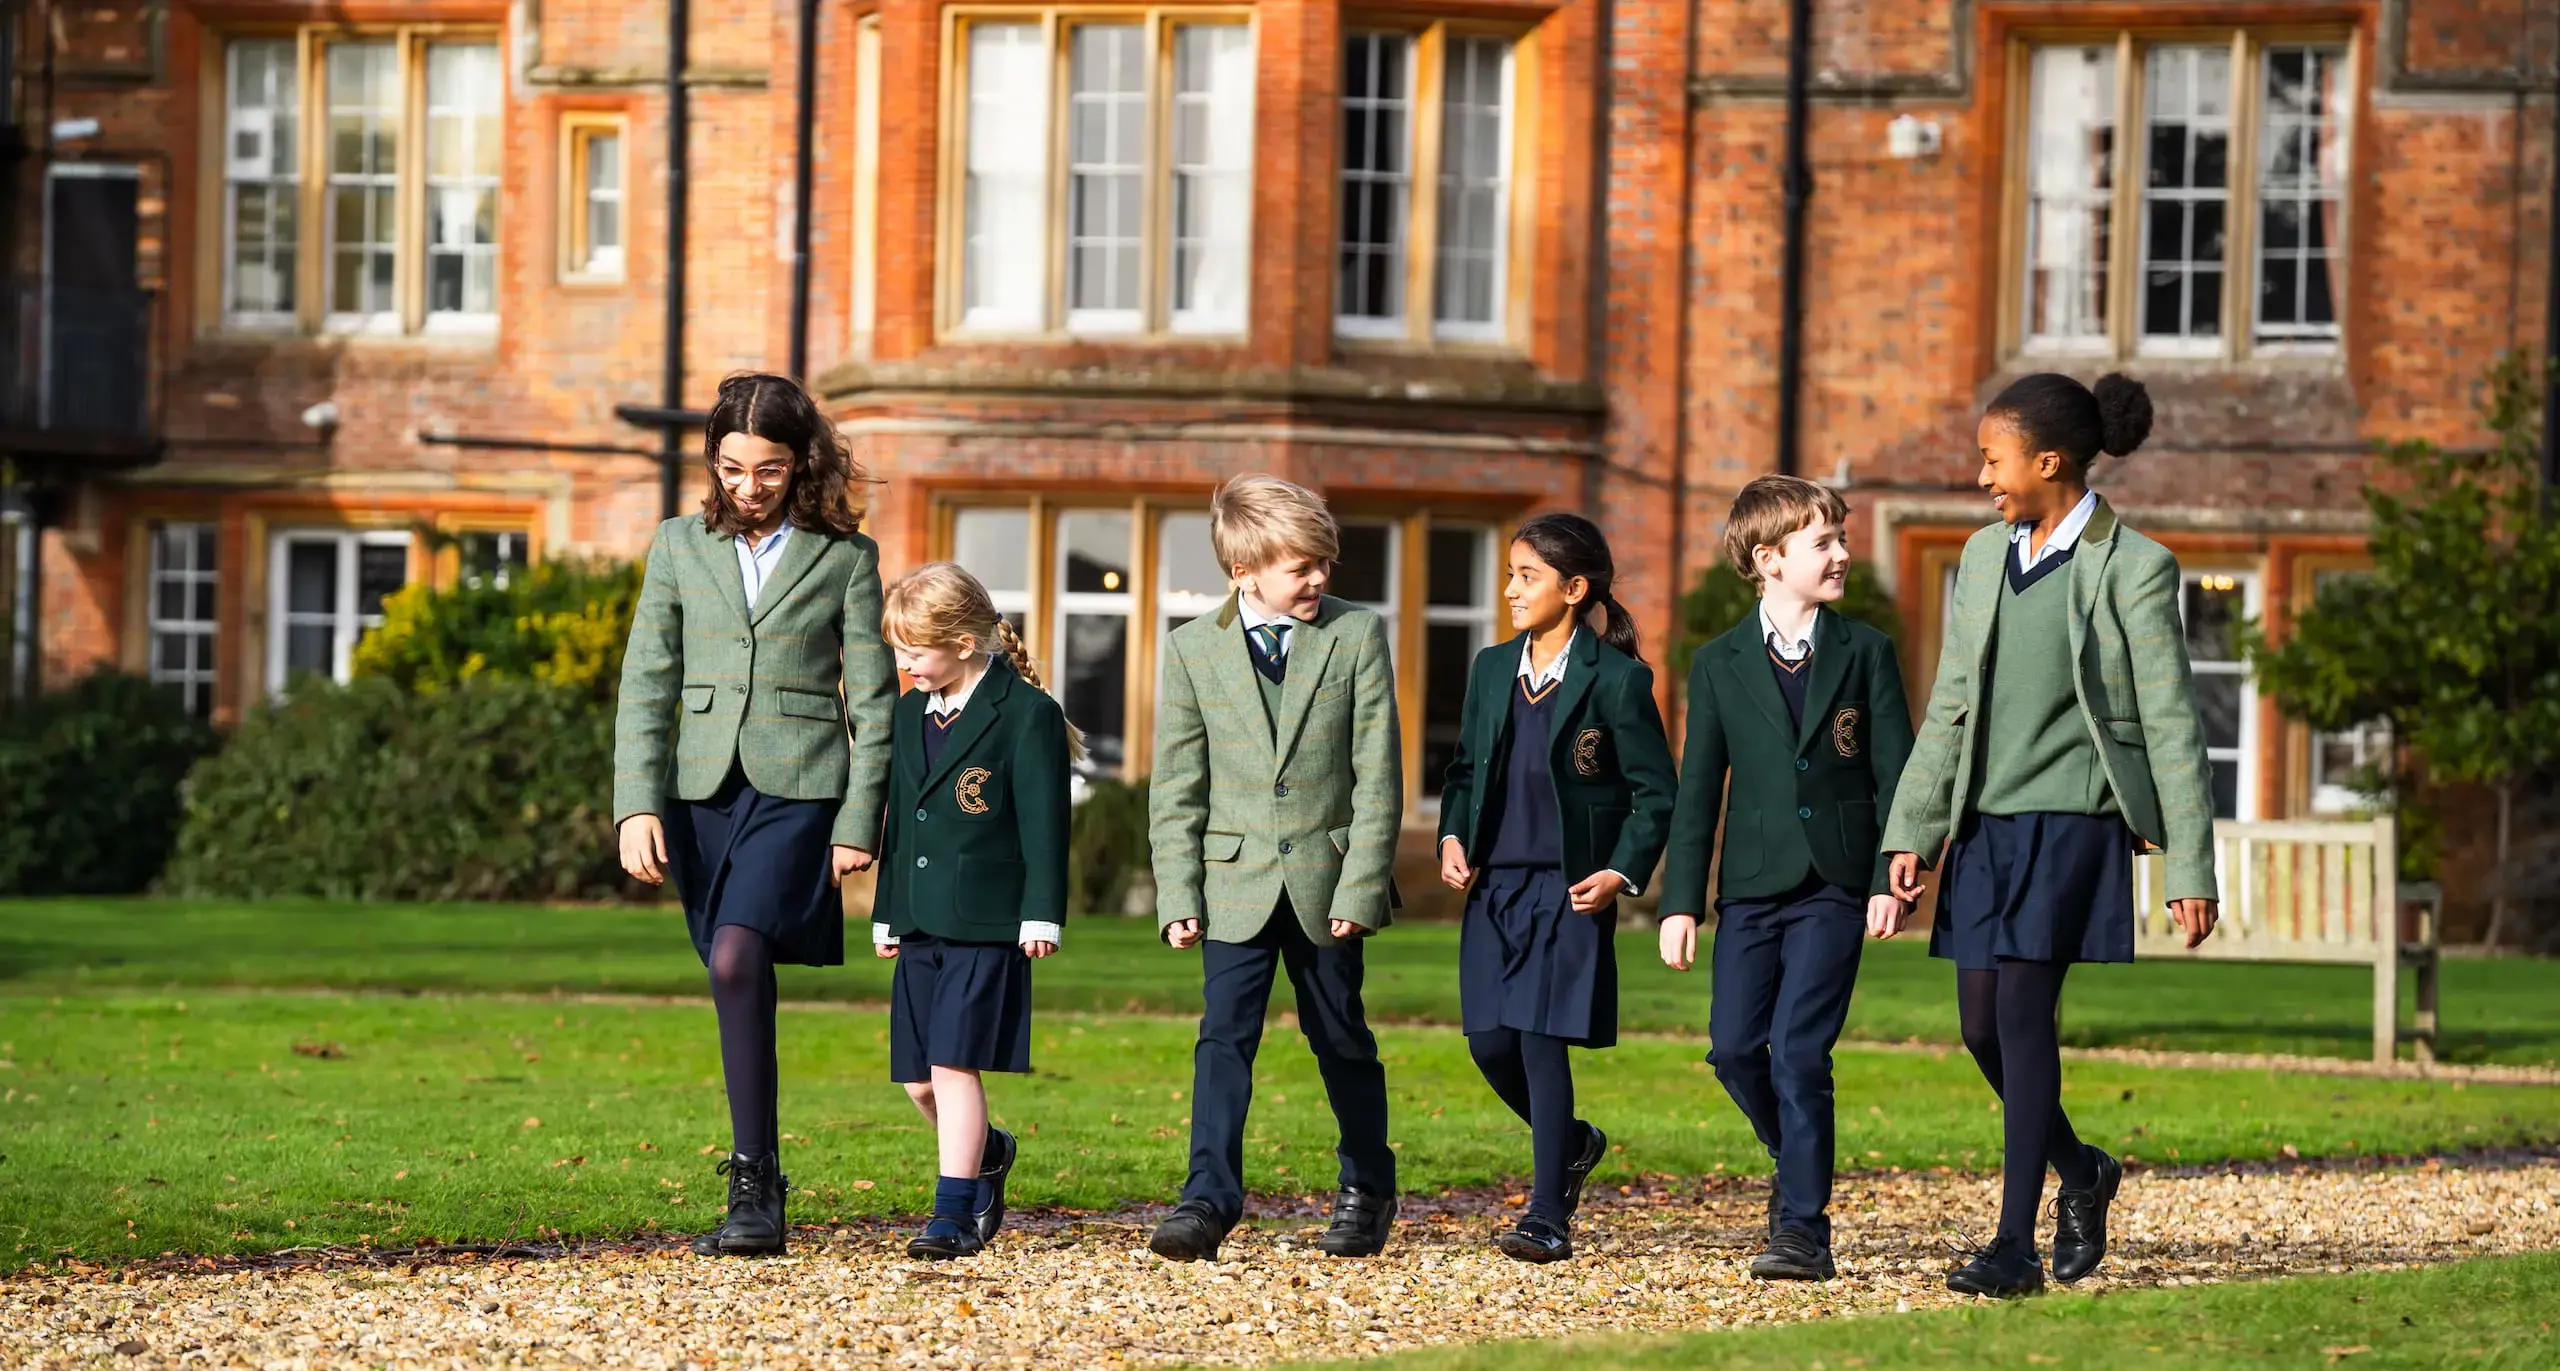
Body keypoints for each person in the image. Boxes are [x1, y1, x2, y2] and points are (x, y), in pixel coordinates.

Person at [1882, 372, 2221, 1298]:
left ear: (2049, 460)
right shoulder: (1985, 556)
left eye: (1993, 458)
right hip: (1985, 829)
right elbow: (1950, 704)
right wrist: (1910, 829)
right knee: (1980, 1027)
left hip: (2074, 824)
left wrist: (2190, 864)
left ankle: (2013, 1248)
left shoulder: (2134, 565)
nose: (1982, 474)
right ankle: (2084, 1169)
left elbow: (2171, 723)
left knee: (2025, 1019)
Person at [612, 371, 898, 1257]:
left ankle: (753, 1181)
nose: (747, 486)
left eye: (767, 470)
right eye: (732, 467)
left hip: (800, 788)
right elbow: (646, 683)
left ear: (800, 462)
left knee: (738, 954)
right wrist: (635, 804)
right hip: (700, 794)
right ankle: (759, 1175)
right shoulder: (675, 546)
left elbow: (877, 701)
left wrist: (860, 818)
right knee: (726, 966)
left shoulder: (846, 559)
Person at [1656, 475, 1915, 1282]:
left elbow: (1895, 775)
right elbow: (1699, 787)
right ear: (1769, 559)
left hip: (1837, 883)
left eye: (1841, 538)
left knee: (1800, 1051)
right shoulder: (1718, 663)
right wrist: (1680, 902)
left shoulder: (1866, 652)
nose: (1842, 554)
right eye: (1825, 542)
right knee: (1735, 1049)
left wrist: (1889, 877)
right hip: (1753, 886)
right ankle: (1793, 1156)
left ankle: (1803, 1225)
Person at [1146, 473, 1404, 1263]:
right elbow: (1177, 784)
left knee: (1341, 1037)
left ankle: (1367, 1185)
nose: (1320, 577)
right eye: (1302, 565)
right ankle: (1207, 1198)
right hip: (1232, 883)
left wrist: (1361, 884)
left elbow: (1378, 772)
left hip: (1328, 882)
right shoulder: (1192, 649)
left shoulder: (1355, 636)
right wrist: (1177, 893)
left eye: (1324, 561)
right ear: (1243, 570)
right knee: (1223, 1037)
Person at [1437, 512, 1677, 1263]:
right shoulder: (1489, 669)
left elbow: (1654, 793)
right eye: (1510, 573)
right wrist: (1451, 834)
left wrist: (1620, 870)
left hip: (1570, 893)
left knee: (1542, 1043)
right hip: (1495, 888)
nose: (1510, 589)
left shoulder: (1619, 680)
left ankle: (1547, 1214)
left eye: (1526, 576)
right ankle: (1573, 1143)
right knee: (1489, 1043)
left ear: (1574, 589)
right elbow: (1465, 772)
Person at [873, 562, 1078, 1260]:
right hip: (920, 916)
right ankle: (989, 1149)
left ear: (963, 641)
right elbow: (901, 819)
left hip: (990, 921)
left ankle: (953, 1215)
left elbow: (1046, 824)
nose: (904, 664)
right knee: (918, 1079)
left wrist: (1043, 913)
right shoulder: (908, 714)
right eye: (898, 649)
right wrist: (885, 909)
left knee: (956, 1063)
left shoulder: (1027, 714)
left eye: (914, 651)